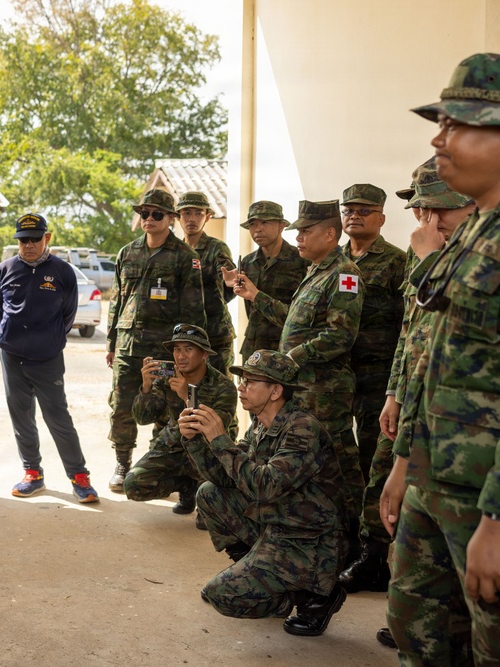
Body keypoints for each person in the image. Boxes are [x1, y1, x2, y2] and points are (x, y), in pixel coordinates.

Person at [382, 52, 500, 664]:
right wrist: (405, 462)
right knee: (414, 623)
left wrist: (497, 519)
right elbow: (435, 359)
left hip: (484, 493)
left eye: (458, 123)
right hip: (437, 477)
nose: (439, 137)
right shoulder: (479, 229)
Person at [224, 200, 365, 555]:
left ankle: (354, 546)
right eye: (298, 231)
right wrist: (256, 296)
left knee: (338, 465)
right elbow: (293, 322)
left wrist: (290, 359)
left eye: (306, 231)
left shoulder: (344, 274)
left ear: (330, 234)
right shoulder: (315, 270)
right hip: (304, 385)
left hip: (325, 390)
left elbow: (339, 336)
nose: (298, 237)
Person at [178, 350, 346, 637]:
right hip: (277, 521)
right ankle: (260, 571)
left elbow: (266, 486)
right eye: (242, 380)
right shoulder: (259, 426)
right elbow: (225, 477)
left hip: (309, 539)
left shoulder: (302, 429)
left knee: (225, 596)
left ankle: (314, 596)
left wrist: (220, 439)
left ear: (276, 391)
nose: (240, 388)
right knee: (209, 493)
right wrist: (194, 440)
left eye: (250, 381)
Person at [106, 189, 207, 495]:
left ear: (171, 219)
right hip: (128, 346)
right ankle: (122, 463)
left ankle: (154, 463)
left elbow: (193, 310)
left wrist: (190, 353)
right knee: (122, 406)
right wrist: (112, 342)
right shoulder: (127, 253)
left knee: (166, 409)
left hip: (164, 349)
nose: (148, 219)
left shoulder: (185, 257)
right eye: (144, 214)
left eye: (156, 214)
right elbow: (117, 299)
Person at [0, 212, 98, 503]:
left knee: (58, 418)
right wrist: (12, 336)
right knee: (21, 417)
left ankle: (79, 477)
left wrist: (49, 339)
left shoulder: (63, 272)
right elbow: (0, 310)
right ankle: (32, 474)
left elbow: (68, 315)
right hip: (12, 357)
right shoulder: (5, 269)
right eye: (22, 240)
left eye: (34, 239)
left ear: (47, 238)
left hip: (47, 358)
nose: (28, 245)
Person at [124, 324, 237, 521]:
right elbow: (143, 418)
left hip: (207, 452)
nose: (181, 356)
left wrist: (188, 395)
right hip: (174, 446)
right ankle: (186, 486)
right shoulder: (167, 378)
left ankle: (206, 499)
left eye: (188, 349)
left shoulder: (223, 386)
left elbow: (213, 429)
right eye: (177, 349)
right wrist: (146, 387)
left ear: (204, 354)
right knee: (133, 485)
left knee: (209, 520)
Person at [339, 184, 406, 484]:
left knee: (372, 451)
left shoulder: (396, 262)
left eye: (364, 211)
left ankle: (371, 526)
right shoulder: (331, 261)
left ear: (381, 218)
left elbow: (406, 323)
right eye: (349, 211)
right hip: (338, 373)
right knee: (336, 453)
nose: (355, 216)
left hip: (376, 375)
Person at [237, 201, 309, 362]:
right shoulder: (248, 262)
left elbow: (301, 314)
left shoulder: (301, 261)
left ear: (281, 226)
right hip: (254, 347)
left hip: (286, 348)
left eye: (265, 222)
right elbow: (251, 310)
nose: (258, 229)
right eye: (253, 224)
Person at [176, 191, 236, 375]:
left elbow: (229, 279)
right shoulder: (175, 251)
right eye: (186, 213)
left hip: (214, 336)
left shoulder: (216, 248)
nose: (192, 219)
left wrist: (228, 282)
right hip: (183, 337)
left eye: (198, 213)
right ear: (178, 217)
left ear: (207, 217)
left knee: (219, 390)